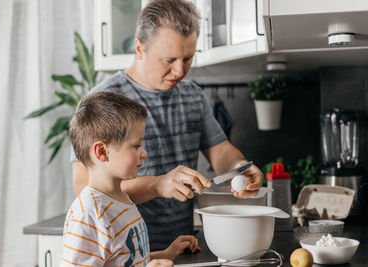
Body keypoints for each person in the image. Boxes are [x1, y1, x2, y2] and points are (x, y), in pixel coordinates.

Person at [72, 0, 263, 251]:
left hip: (180, 248)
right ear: (139, 48)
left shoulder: (192, 95)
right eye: (169, 59)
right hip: (123, 253)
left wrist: (238, 168)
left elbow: (221, 151)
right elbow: (84, 186)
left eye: (187, 58)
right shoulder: (102, 102)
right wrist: (157, 185)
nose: (179, 70)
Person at [62, 91, 199, 267]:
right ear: (102, 152)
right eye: (136, 146)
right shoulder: (89, 214)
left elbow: (126, 259)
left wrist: (167, 253)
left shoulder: (119, 199)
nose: (144, 153)